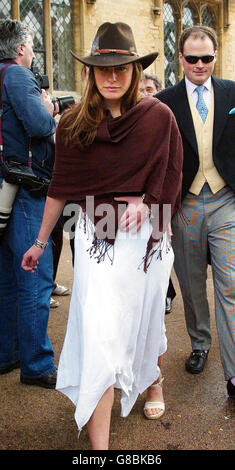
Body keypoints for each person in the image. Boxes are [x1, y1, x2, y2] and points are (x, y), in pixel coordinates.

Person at [22, 22, 183, 449]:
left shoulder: (158, 118)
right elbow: (60, 187)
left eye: (121, 68)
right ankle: (101, 451)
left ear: (134, 70)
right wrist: (40, 242)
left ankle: (153, 381)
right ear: (90, 73)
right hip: (99, 238)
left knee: (144, 320)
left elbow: (172, 174)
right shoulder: (73, 124)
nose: (111, 77)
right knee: (99, 334)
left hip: (146, 237)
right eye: (101, 68)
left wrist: (146, 203)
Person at [156, 25, 235, 398]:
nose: (199, 64)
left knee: (231, 284)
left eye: (206, 58)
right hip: (184, 203)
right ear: (181, 59)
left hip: (225, 201)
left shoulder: (233, 92)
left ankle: (234, 373)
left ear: (215, 57)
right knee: (190, 284)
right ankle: (200, 342)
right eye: (192, 58)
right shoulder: (164, 101)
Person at [0, 19, 58, 388]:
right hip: (22, 188)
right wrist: (49, 109)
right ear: (20, 49)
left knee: (6, 278)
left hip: (3, 188)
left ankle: (8, 353)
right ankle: (37, 365)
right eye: (33, 46)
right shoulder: (18, 76)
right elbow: (39, 125)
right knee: (35, 276)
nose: (34, 53)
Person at [139, 73, 176, 314]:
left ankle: (165, 294)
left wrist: (165, 214)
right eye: (140, 89)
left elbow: (170, 169)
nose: (144, 93)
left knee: (160, 251)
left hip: (160, 199)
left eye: (150, 89)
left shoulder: (164, 119)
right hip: (132, 202)